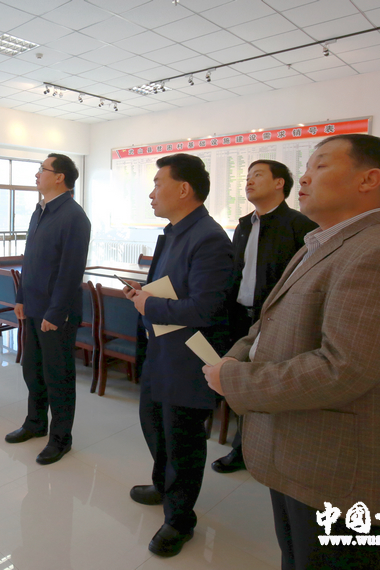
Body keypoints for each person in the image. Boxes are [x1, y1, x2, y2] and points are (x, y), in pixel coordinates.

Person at [203, 134, 380, 570]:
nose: (304, 177)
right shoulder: (323, 243)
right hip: (302, 460)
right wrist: (236, 355)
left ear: (369, 179)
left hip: (344, 480)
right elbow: (270, 320)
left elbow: (341, 369)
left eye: (321, 165)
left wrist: (233, 379)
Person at [124, 153, 233, 557]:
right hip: (161, 351)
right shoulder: (173, 233)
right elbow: (173, 288)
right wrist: (145, 294)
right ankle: (162, 485)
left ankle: (180, 519)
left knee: (183, 440)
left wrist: (149, 305)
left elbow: (206, 309)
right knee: (155, 424)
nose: (152, 193)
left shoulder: (209, 238)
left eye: (158, 184)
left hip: (187, 360)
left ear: (184, 189)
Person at [212, 160, 317, 474]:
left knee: (265, 385)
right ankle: (244, 447)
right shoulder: (244, 225)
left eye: (257, 175)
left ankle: (252, 449)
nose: (249, 181)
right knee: (240, 380)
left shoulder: (300, 226)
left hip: (275, 320)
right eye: (247, 176)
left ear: (279, 183)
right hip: (240, 317)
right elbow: (237, 273)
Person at [7, 153, 91, 465]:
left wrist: (55, 313)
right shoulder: (40, 211)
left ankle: (61, 437)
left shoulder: (74, 216)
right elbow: (29, 259)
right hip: (33, 307)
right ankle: (35, 422)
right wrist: (20, 296)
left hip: (56, 314)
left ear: (59, 177)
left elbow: (71, 271)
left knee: (58, 376)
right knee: (33, 370)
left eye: (42, 169)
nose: (37, 174)